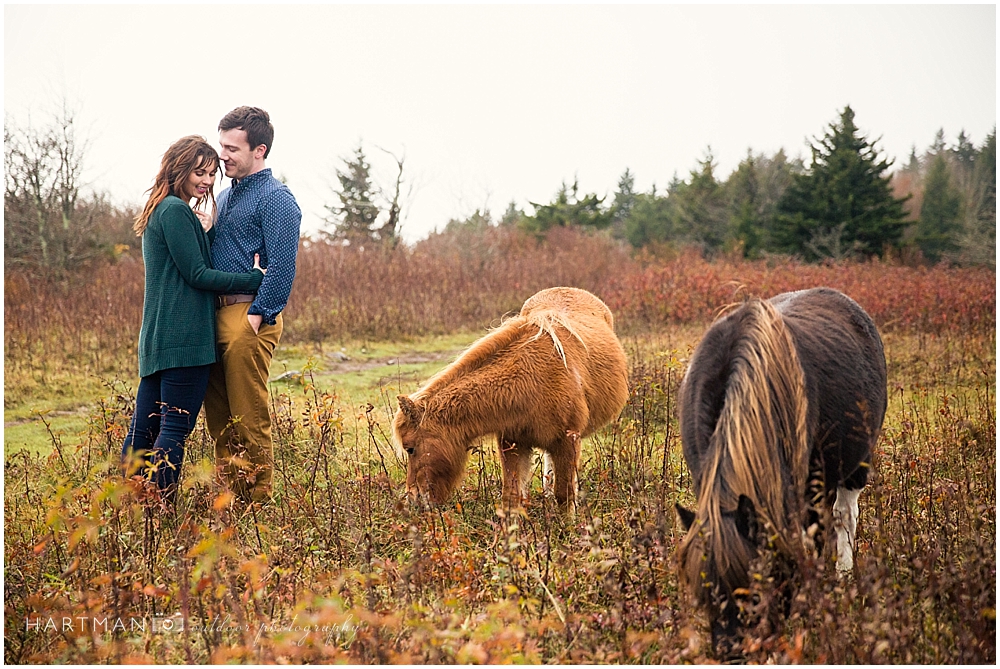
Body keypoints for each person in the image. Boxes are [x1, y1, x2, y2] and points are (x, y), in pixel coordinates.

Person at [123, 136, 266, 500]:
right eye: (198, 172)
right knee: (173, 428)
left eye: (211, 173)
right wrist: (253, 280)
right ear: (178, 168)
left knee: (144, 429)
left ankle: (130, 503)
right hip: (185, 339)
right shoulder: (175, 211)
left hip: (158, 339)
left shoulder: (164, 209)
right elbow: (198, 275)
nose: (205, 181)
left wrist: (208, 231)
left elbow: (188, 263)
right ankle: (161, 508)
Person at [204, 106, 301, 503]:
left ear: (259, 150)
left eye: (232, 148)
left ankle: (260, 498)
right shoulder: (223, 196)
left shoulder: (277, 199)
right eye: (221, 145)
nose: (222, 155)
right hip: (214, 318)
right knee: (220, 419)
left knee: (249, 415)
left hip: (249, 316)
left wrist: (260, 315)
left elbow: (283, 263)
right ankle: (232, 496)